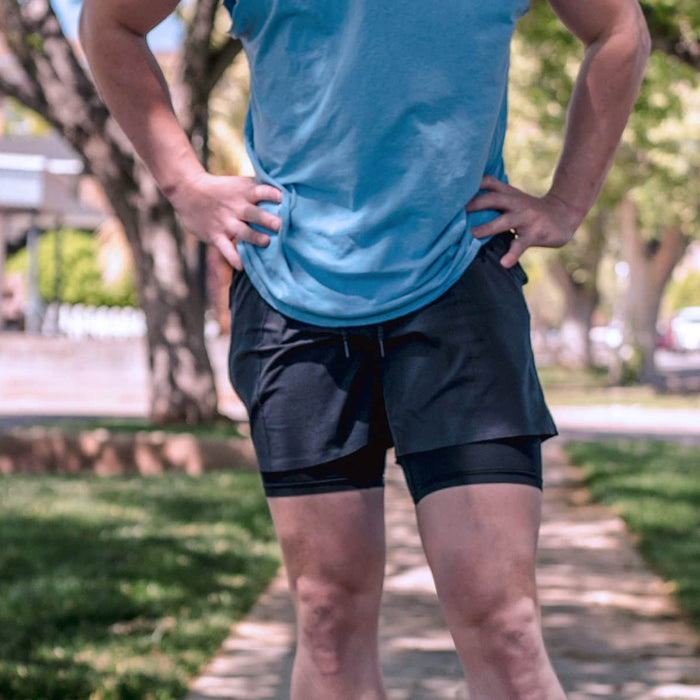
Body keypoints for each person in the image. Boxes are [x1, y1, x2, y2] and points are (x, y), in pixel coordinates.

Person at [79, 1, 649, 697]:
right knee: (327, 618)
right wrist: (184, 183)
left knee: (504, 625)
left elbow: (618, 29)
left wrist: (567, 203)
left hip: (458, 281)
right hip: (292, 292)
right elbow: (110, 23)